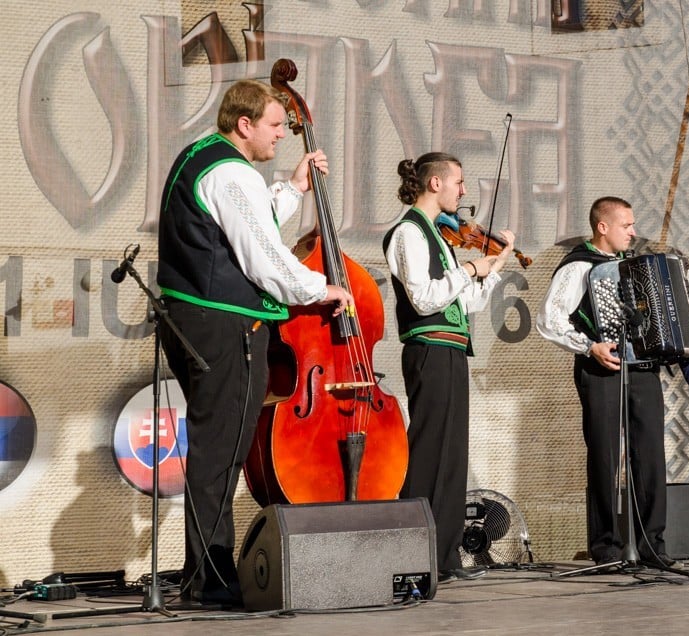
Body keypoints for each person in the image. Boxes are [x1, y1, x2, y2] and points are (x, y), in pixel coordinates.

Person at [156, 79, 353, 605]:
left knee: (219, 447)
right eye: (274, 125)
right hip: (226, 326)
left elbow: (244, 224)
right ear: (244, 125)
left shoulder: (206, 160)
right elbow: (264, 257)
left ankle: (206, 573)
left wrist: (292, 188)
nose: (282, 135)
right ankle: (210, 578)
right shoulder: (231, 171)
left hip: (195, 320)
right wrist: (321, 287)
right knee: (221, 451)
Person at [382, 152, 515, 582]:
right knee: (429, 451)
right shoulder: (408, 233)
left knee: (452, 455)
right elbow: (423, 298)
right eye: (458, 182)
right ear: (435, 183)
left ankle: (444, 556)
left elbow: (465, 301)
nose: (463, 191)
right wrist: (470, 268)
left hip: (453, 349)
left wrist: (492, 269)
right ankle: (414, 554)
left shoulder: (440, 237)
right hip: (429, 350)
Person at [536, 196, 673, 568]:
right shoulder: (579, 266)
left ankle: (651, 545)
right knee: (605, 456)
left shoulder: (634, 265)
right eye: (626, 225)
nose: (633, 231)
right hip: (601, 368)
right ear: (603, 227)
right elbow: (549, 319)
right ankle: (607, 547)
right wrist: (589, 346)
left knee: (650, 457)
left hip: (642, 368)